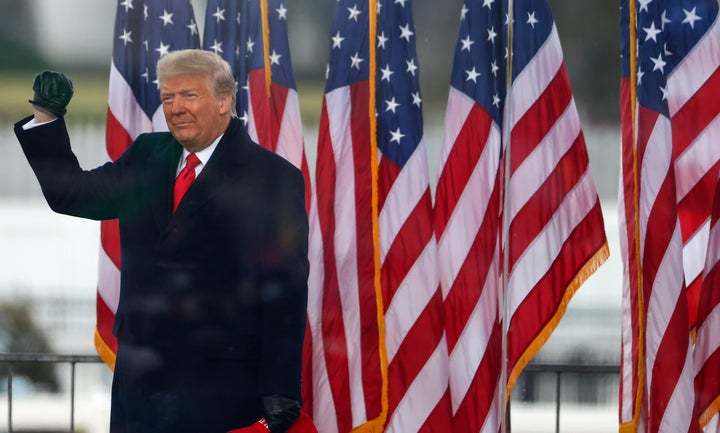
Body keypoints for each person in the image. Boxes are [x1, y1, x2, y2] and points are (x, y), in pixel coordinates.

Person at [14, 49, 314, 433]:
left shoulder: (272, 177)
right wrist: (46, 116)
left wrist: (280, 388)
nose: (176, 108)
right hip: (140, 386)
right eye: (168, 97)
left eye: (189, 95)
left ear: (224, 101)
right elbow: (72, 195)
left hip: (223, 390)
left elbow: (284, 291)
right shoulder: (146, 155)